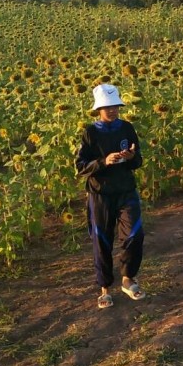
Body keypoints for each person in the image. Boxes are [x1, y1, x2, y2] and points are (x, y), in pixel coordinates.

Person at [74, 83, 146, 309]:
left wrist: (131, 156)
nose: (112, 110)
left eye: (115, 106)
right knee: (102, 239)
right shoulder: (90, 133)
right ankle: (104, 288)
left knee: (135, 234)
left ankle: (128, 278)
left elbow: (138, 162)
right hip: (100, 194)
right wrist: (104, 162)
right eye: (107, 107)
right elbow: (80, 167)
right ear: (98, 109)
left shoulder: (126, 128)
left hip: (125, 190)